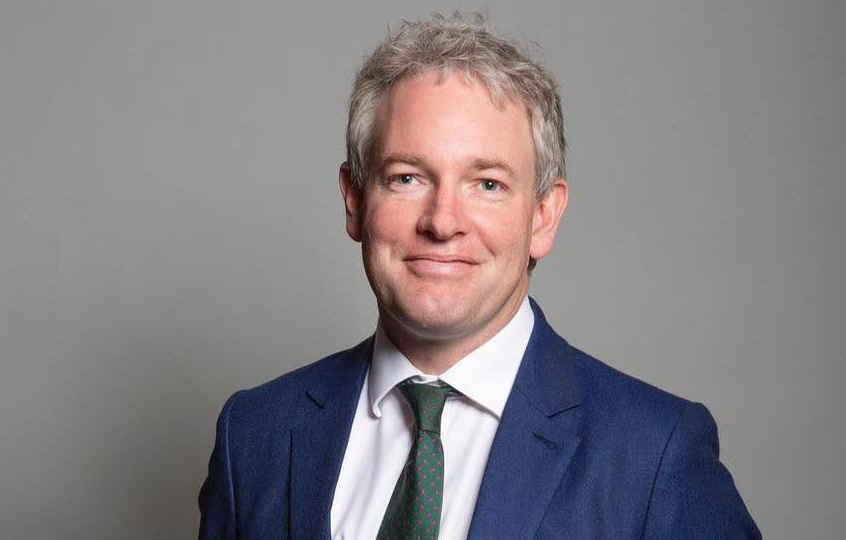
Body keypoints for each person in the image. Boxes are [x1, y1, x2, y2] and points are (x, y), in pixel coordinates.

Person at [198, 14, 760, 539]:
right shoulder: (255, 436)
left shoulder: (654, 455)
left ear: (544, 216)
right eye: (407, 177)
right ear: (354, 199)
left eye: (487, 183)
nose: (443, 222)